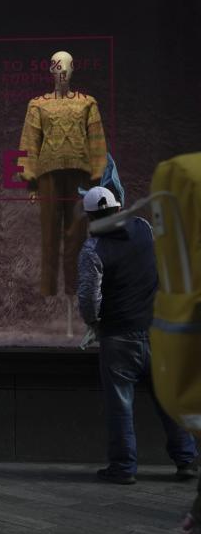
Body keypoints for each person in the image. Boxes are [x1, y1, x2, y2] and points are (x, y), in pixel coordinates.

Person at [77, 186, 196, 485]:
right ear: (119, 209)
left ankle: (123, 468)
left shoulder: (93, 250)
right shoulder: (143, 228)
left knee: (120, 406)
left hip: (118, 337)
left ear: (91, 217)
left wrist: (94, 323)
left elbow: (89, 299)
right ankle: (187, 461)